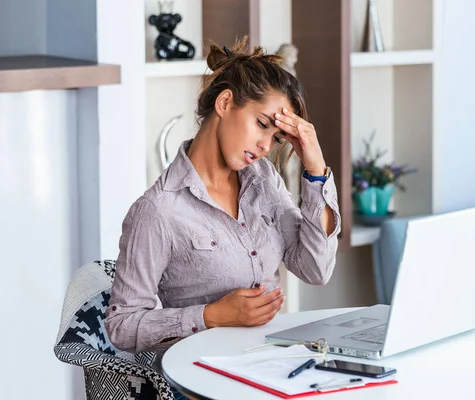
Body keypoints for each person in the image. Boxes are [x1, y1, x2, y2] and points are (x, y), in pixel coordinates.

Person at [104, 39, 341, 398]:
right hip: (202, 384)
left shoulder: (264, 181)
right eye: (262, 124)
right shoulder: (158, 210)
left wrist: (315, 169)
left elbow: (315, 268)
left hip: (273, 371)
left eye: (277, 137)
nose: (266, 145)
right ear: (225, 102)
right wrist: (211, 316)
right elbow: (121, 326)